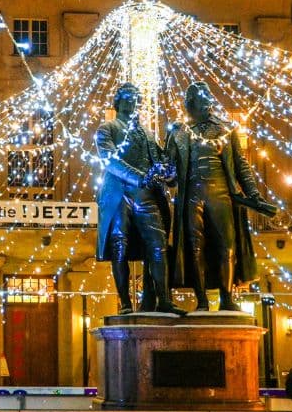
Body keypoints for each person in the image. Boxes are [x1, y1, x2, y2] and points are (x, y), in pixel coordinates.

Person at [165, 82, 275, 311]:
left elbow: (241, 165)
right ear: (191, 102)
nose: (206, 104)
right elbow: (170, 171)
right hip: (192, 193)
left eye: (207, 99)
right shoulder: (178, 131)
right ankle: (202, 301)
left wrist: (253, 194)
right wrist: (165, 174)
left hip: (221, 192)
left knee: (227, 245)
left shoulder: (227, 129)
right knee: (194, 247)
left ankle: (227, 298)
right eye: (200, 100)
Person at [95, 83, 184, 315]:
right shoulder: (107, 128)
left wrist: (170, 164)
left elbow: (160, 161)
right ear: (118, 101)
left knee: (158, 243)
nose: (132, 101)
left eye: (135, 98)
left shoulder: (146, 132)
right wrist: (139, 177)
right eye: (126, 97)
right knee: (119, 247)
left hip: (146, 194)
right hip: (118, 193)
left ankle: (164, 299)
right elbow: (109, 160)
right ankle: (125, 302)